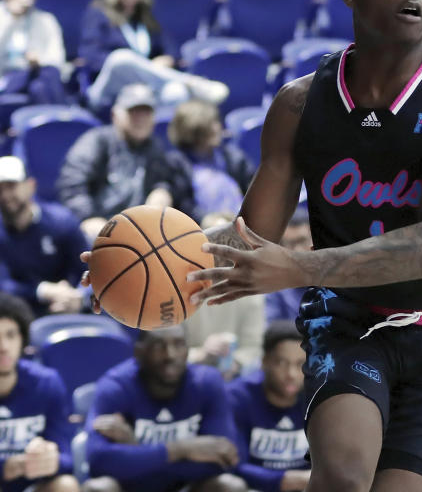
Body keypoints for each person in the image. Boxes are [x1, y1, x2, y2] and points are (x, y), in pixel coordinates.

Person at [175, 0, 422, 492]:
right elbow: (249, 238)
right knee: (344, 479)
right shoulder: (301, 103)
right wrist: (149, 258)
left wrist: (299, 268)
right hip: (350, 322)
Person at [81, 326, 247, 492]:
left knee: (230, 486)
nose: (170, 355)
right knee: (99, 488)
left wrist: (135, 450)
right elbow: (99, 461)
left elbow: (227, 460)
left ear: (188, 350)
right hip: (131, 487)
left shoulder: (207, 382)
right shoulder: (115, 387)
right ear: (139, 352)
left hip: (188, 487)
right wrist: (182, 449)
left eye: (179, 344)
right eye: (158, 346)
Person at [78, 0, 227, 113]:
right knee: (120, 59)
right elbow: (91, 56)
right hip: (108, 88)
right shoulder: (98, 13)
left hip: (144, 88)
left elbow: (171, 50)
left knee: (176, 92)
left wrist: (166, 59)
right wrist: (136, 67)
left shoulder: (145, 17)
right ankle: (194, 83)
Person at [57, 83, 195, 240]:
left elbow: (168, 179)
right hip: (101, 224)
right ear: (115, 115)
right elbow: (73, 185)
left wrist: (163, 190)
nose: (141, 119)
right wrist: (88, 217)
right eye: (134, 112)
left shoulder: (154, 146)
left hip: (141, 231)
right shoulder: (96, 141)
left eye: (146, 112)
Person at [0, 293, 79, 492]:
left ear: (23, 339)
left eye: (10, 335)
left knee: (66, 486)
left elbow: (67, 457)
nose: (3, 347)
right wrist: (5, 467)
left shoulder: (46, 382)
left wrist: (51, 460)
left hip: (31, 485)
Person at [228, 321, 310, 492]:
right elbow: (233, 464)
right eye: (281, 363)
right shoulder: (238, 397)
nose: (291, 374)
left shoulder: (318, 397)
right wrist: (286, 480)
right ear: (264, 361)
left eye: (299, 363)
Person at [0, 156, 88, 316]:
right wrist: (43, 291)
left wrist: (80, 298)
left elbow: (91, 270)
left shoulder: (61, 222)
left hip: (69, 309)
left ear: (30, 186)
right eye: (0, 189)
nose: (5, 195)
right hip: (14, 317)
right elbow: (3, 284)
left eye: (11, 186)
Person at [167, 100, 255, 221]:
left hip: (242, 224)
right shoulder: (177, 162)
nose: (217, 128)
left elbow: (253, 191)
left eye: (216, 122)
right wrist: (208, 220)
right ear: (194, 129)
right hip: (202, 229)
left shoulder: (233, 157)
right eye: (210, 124)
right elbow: (182, 204)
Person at [0, 0, 68, 104]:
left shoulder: (46, 20)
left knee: (41, 83)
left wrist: (38, 61)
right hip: (5, 81)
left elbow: (57, 63)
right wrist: (11, 19)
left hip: (37, 77)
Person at [264, 208, 311, 324]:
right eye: (291, 244)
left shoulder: (336, 273)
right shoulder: (273, 284)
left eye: (302, 241)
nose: (298, 250)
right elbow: (271, 329)